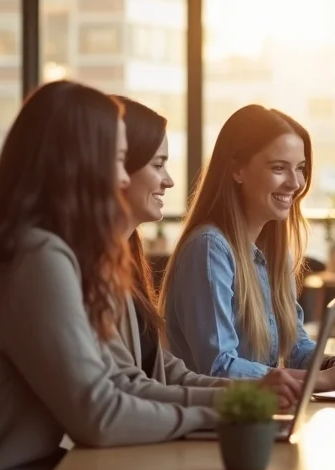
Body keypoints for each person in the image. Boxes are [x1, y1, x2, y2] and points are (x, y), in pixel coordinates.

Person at [0, 81, 217, 470]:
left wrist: (230, 405)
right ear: (80, 163)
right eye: (119, 160)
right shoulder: (34, 256)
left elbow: (117, 384)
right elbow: (100, 416)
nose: (124, 180)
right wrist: (217, 418)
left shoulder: (27, 246)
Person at [160, 104, 335, 388]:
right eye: (278, 168)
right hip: (217, 421)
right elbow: (217, 367)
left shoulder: (272, 254)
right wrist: (322, 380)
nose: (296, 183)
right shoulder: (209, 248)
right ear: (237, 170)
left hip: (259, 413)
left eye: (300, 169)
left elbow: (296, 350)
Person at [111, 96, 301, 408]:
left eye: (300, 168)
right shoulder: (210, 246)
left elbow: (163, 375)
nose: (170, 180)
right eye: (158, 164)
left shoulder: (124, 264)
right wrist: (219, 412)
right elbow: (115, 402)